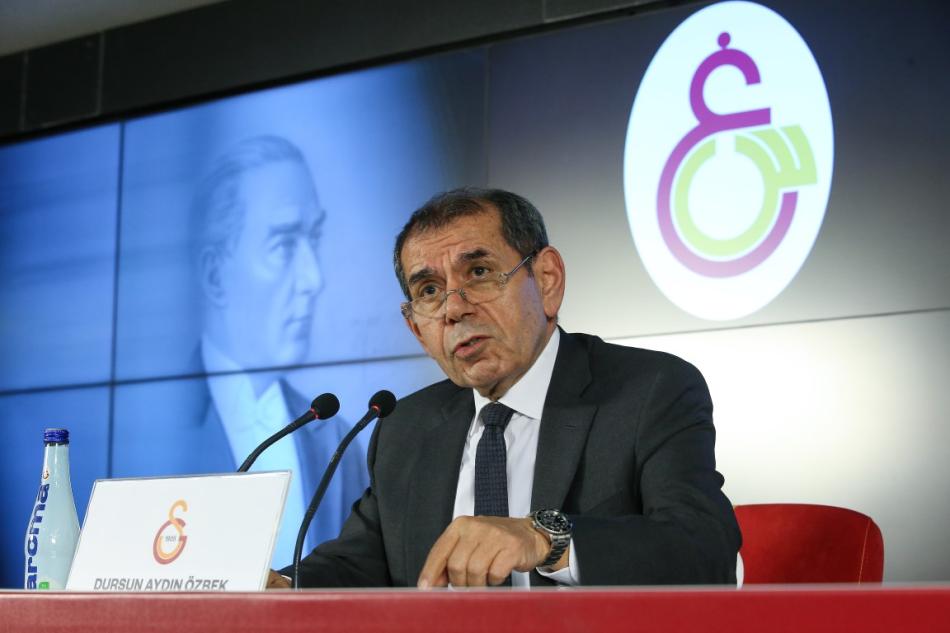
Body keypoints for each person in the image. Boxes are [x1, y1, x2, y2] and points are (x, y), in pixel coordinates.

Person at [270, 187, 739, 588]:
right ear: (417, 329)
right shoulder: (405, 427)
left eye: (478, 273)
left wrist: (545, 538)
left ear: (547, 281)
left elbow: (704, 550)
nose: (454, 309)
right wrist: (282, 587)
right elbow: (359, 563)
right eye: (429, 291)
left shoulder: (648, 391)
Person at [187, 136, 368, 564]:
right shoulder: (152, 429)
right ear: (215, 275)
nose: (314, 278)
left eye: (314, 238)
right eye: (284, 244)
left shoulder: (336, 440)